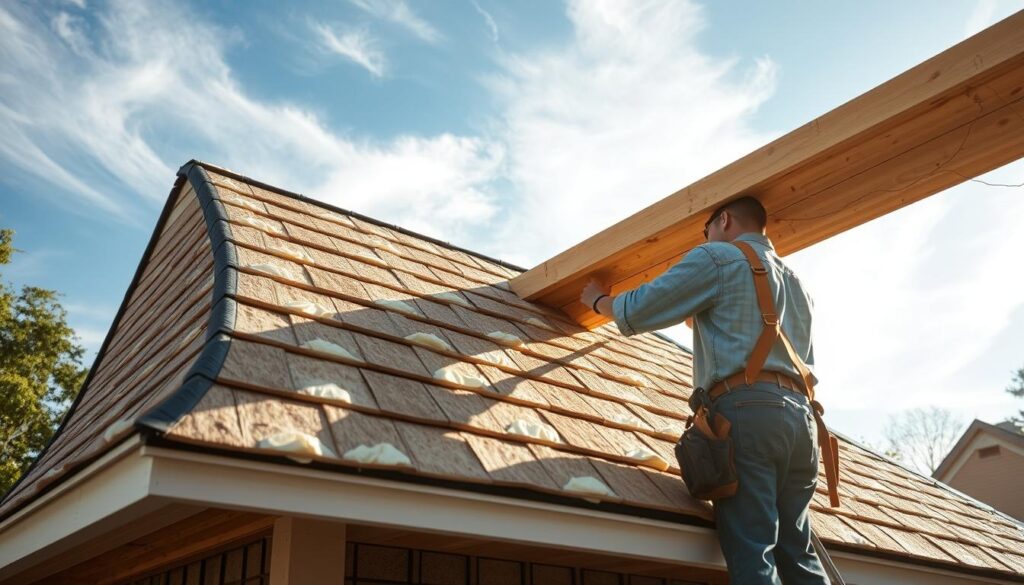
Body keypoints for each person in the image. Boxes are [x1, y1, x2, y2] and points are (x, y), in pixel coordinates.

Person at [581, 196, 830, 585]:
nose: (706, 237)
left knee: (752, 549)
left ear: (724, 220)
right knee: (797, 552)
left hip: (748, 413)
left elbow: (642, 307)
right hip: (803, 422)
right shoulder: (797, 283)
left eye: (706, 229)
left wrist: (598, 300)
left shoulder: (717, 257)